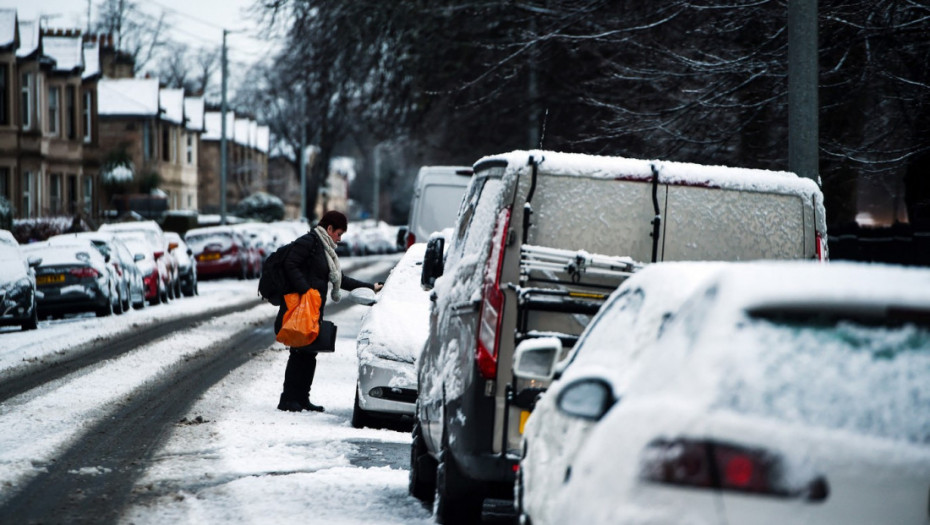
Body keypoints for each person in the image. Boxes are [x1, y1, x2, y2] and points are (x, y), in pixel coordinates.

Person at [275, 211, 383, 412]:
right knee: (298, 352)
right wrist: (305, 289)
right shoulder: (309, 242)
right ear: (330, 228)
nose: (339, 239)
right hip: (301, 306)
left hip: (313, 308)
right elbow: (290, 264)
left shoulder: (324, 249)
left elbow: (340, 279)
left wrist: (370, 286)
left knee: (309, 353)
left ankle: (302, 398)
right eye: (339, 234)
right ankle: (288, 399)